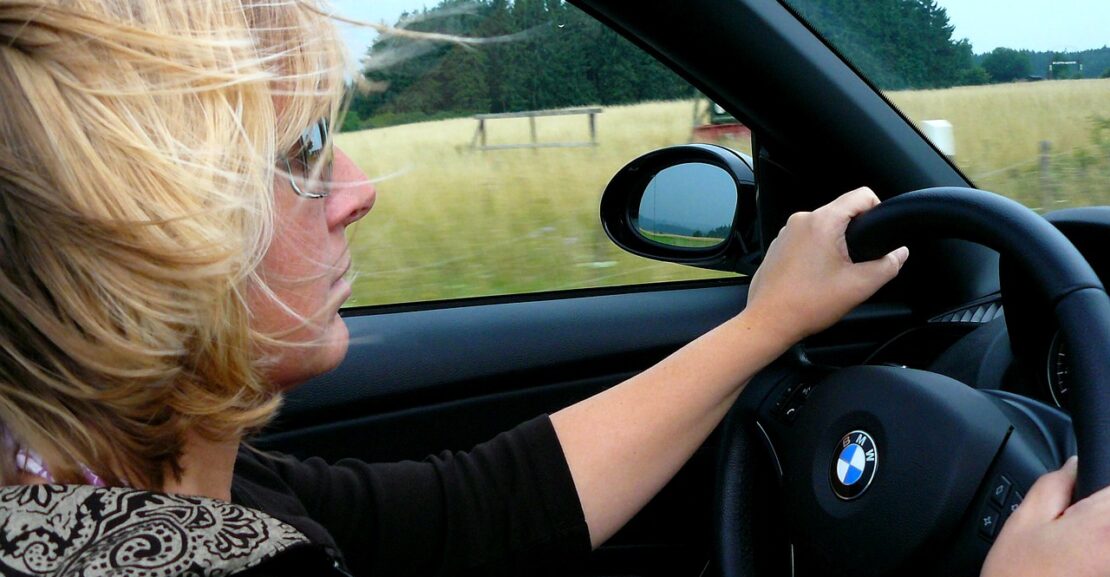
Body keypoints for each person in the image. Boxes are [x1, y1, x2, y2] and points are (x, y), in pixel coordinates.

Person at [0, 1, 1106, 576]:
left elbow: (475, 516)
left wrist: (769, 320)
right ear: (145, 235)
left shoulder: (152, 485)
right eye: (299, 150)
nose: (356, 190)